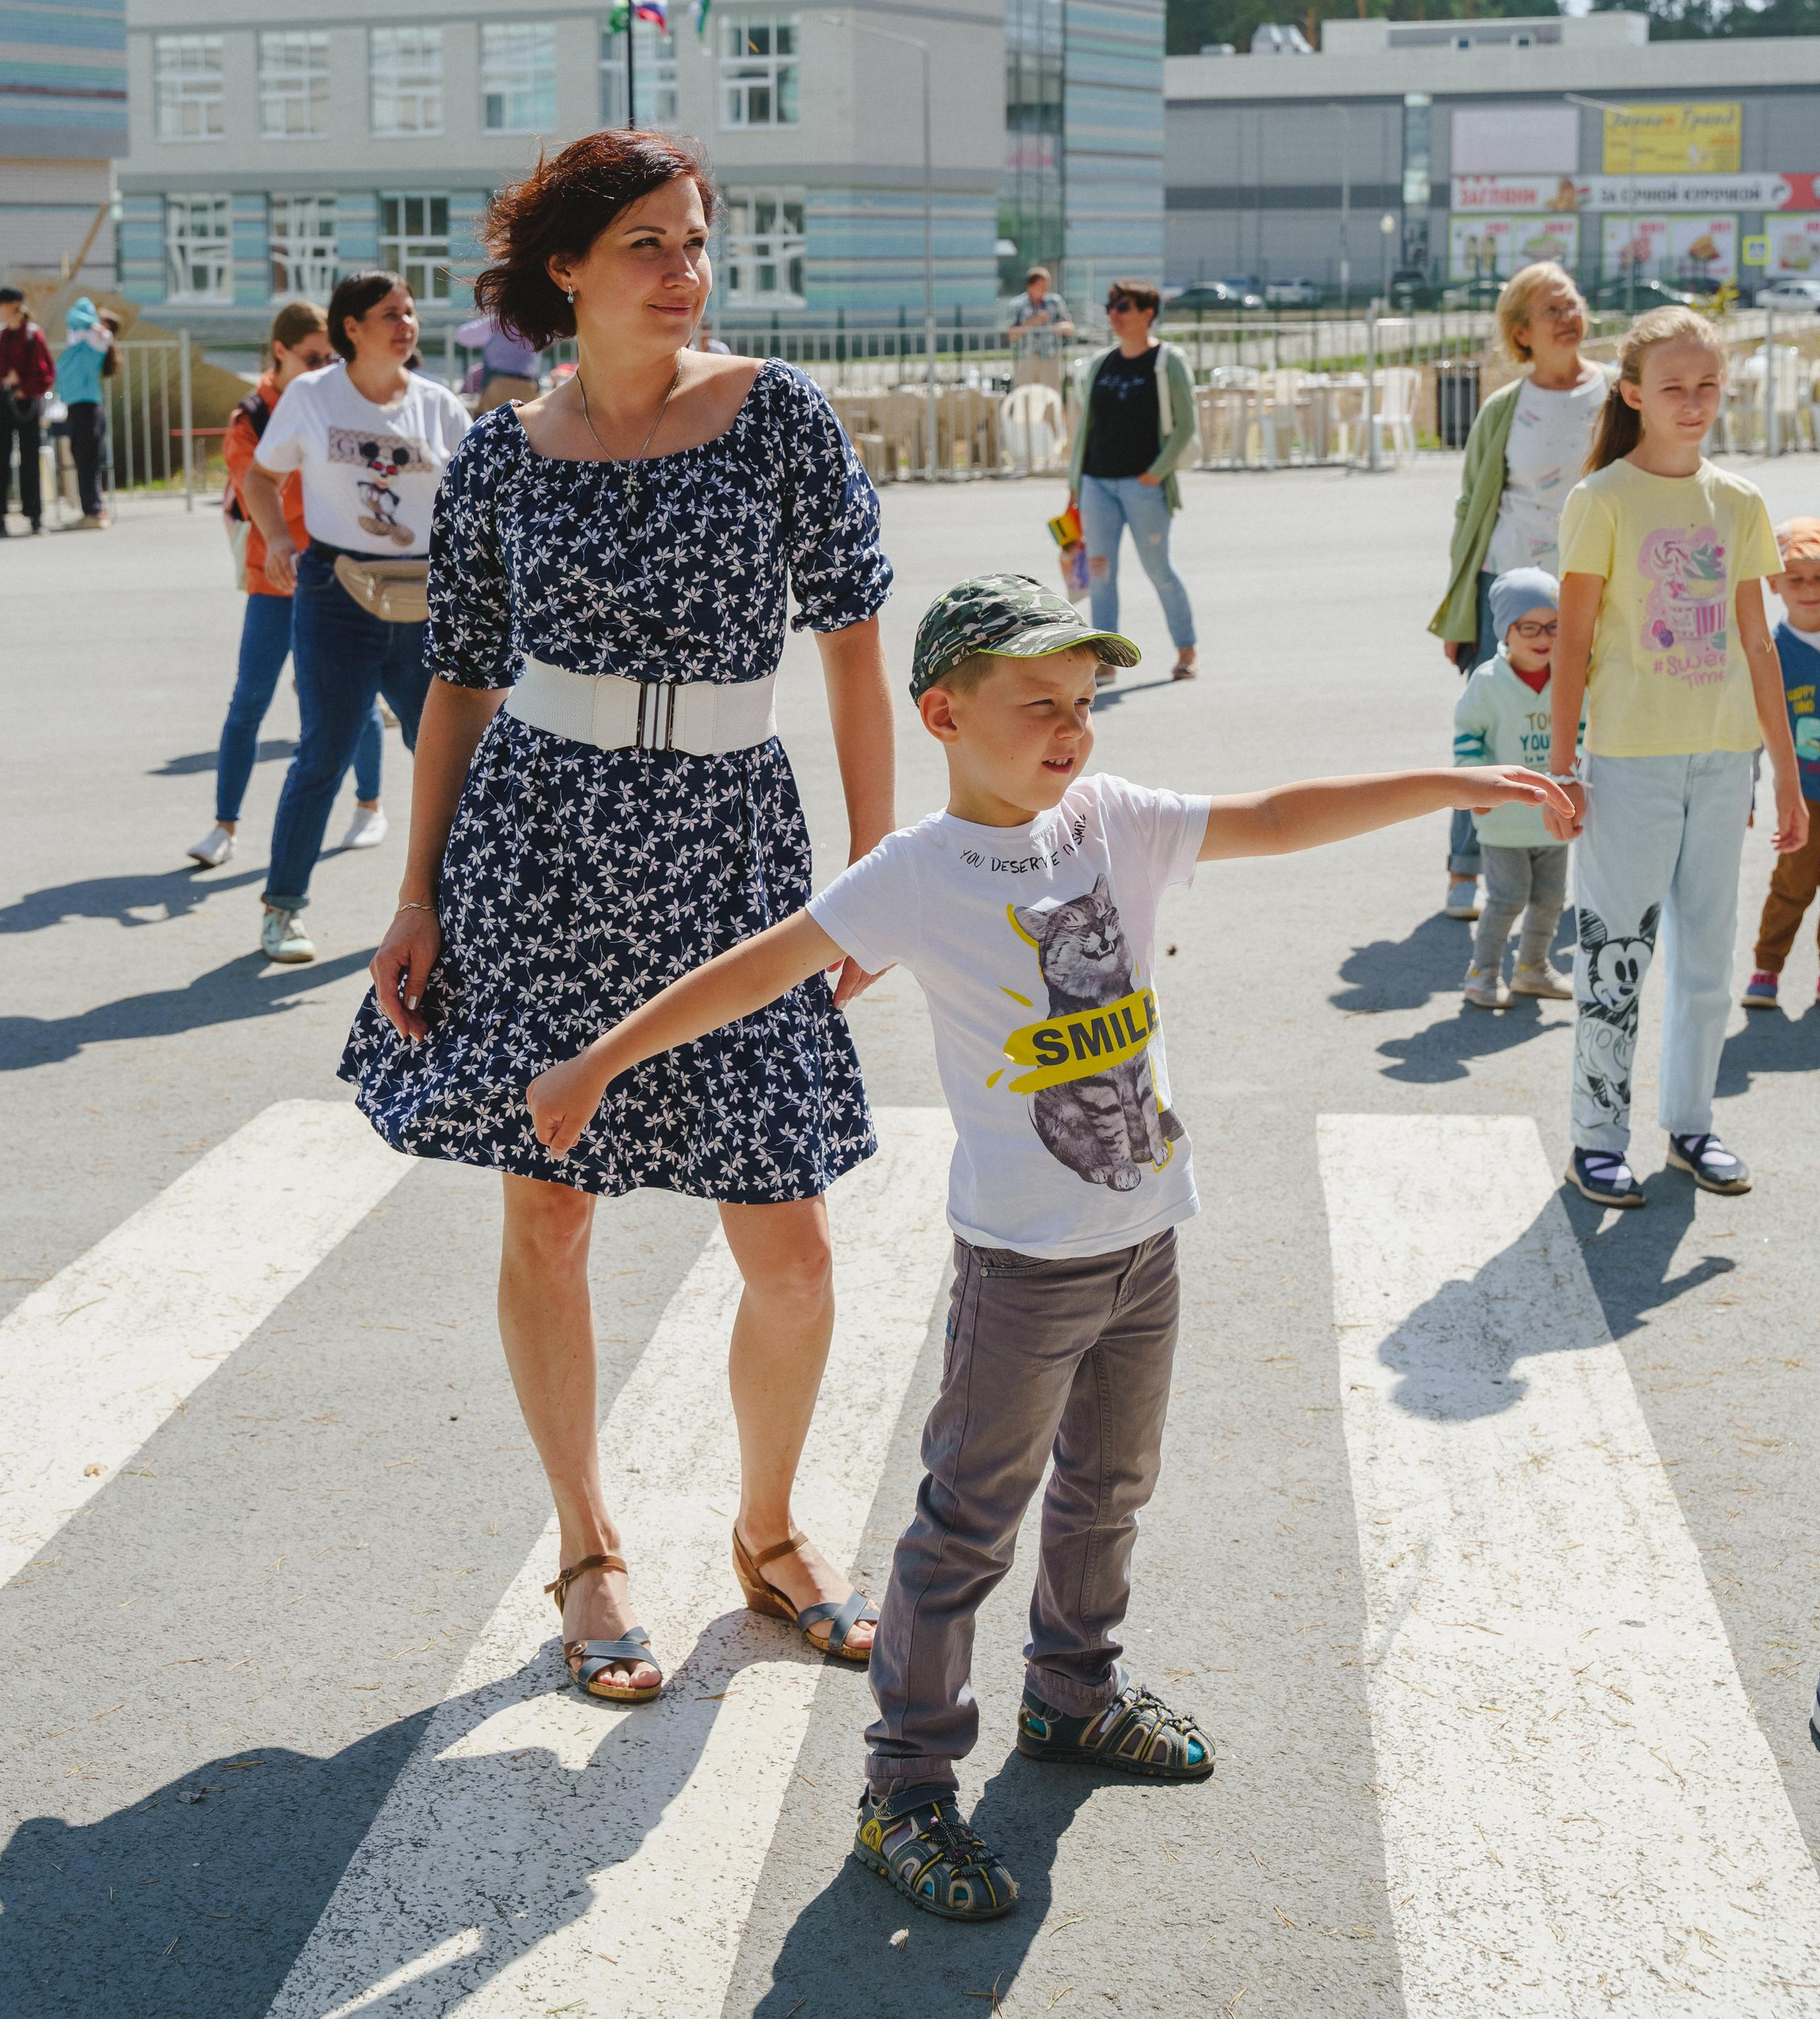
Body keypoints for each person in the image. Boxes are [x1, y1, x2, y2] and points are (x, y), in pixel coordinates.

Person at [524, 570, 1569, 1917]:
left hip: (1146, 1237)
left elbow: (1273, 816)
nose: (1071, 728)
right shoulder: (915, 875)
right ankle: (903, 1790)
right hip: (1022, 1264)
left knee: (1110, 1489)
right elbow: (762, 965)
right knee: (964, 1527)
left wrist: (1454, 784)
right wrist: (600, 1062)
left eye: (1085, 701)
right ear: (944, 714)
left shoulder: (1110, 822)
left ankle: (1073, 1694)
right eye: (1038, 704)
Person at [352, 128, 895, 1707]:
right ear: (566, 271)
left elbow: (857, 650)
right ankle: (588, 1549)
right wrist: (414, 890)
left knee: (786, 1242)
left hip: (732, 849)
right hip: (540, 848)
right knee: (549, 1208)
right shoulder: (504, 458)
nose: (684, 269)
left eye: (696, 238)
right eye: (648, 242)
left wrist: (872, 873)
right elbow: (457, 680)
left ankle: (771, 1532)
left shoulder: (776, 416)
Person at [1547, 306, 1805, 1209]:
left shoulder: (1738, 501)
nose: (1692, 403)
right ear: (1632, 396)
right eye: (1672, 388)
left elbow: (1759, 647)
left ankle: (1691, 1124)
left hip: (1723, 758)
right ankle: (1596, 1140)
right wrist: (1560, 767)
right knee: (1615, 954)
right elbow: (1572, 644)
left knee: (1707, 961)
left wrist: (1786, 778)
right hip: (1628, 762)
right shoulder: (1601, 499)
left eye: (1706, 386)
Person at [245, 273, 471, 964]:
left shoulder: (438, 406)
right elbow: (260, 476)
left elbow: (480, 496)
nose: (406, 324)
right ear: (351, 327)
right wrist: (278, 540)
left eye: (410, 312)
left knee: (451, 758)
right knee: (325, 753)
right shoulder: (313, 396)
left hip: (429, 599)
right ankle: (282, 909)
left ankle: (463, 912)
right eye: (388, 314)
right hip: (336, 594)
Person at [1430, 260, 1606, 919]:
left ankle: (1583, 863)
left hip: (1593, 591)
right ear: (1522, 331)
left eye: (1572, 302)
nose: (1569, 316)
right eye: (1551, 309)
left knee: (1593, 727)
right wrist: (1460, 615)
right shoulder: (1506, 408)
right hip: (1506, 591)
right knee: (1494, 724)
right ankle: (1466, 868)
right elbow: (1472, 507)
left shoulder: (1617, 396)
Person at [188, 299, 387, 874]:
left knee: (354, 701)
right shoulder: (251, 414)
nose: (326, 365)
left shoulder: (340, 400)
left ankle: (369, 805)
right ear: (280, 351)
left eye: (332, 356)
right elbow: (264, 489)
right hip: (275, 577)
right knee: (249, 700)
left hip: (337, 576)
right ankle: (224, 825)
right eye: (313, 356)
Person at [1743, 516, 1820, 1015]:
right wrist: (1744, 793)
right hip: (1805, 797)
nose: (1808, 589)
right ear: (1773, 584)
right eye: (1795, 579)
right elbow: (1751, 730)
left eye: (1818, 577)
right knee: (1793, 885)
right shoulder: (1770, 651)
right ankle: (1766, 967)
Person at [1065, 280, 1200, 683]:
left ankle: (1186, 650)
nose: (1113, 314)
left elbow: (1186, 426)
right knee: (1101, 573)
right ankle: (1105, 660)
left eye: (1122, 306)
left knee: (1159, 569)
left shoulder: (1166, 362)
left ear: (1147, 314)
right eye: (1110, 306)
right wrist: (1076, 483)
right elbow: (1087, 427)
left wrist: (1154, 474)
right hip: (1097, 484)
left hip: (1143, 487)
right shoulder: (1101, 363)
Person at [1453, 567, 1574, 1010]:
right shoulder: (1487, 682)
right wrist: (1473, 787)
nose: (1542, 637)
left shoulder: (1568, 676)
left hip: (1552, 817)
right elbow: (1468, 737)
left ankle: (1533, 968)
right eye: (1529, 627)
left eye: (1553, 626)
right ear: (1507, 629)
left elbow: (1580, 733)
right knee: (1506, 899)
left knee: (1551, 900)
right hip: (1503, 822)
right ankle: (1482, 974)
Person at [0, 285, 54, 539]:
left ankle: (35, 517)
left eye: (0, 306)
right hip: (2, 402)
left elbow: (46, 373)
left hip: (25, 403)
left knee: (30, 458)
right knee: (0, 457)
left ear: (14, 305)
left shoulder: (33, 335)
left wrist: (25, 387)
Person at [52, 296, 116, 529]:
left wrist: (92, 323)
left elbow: (76, 317)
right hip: (78, 404)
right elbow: (74, 320)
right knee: (82, 456)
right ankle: (92, 508)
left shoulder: (97, 339)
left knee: (87, 458)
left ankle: (93, 510)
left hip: (86, 405)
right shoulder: (85, 338)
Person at [453, 309, 541, 414]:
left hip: (499, 383)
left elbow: (463, 336)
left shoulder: (496, 323)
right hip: (527, 384)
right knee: (527, 426)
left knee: (496, 426)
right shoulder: (534, 323)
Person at [1006, 266, 1074, 386]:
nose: (1046, 289)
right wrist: (1033, 321)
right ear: (1031, 286)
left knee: (1051, 398)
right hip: (1026, 358)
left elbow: (1070, 327)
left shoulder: (1056, 302)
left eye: (1047, 285)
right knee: (1025, 397)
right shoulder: (1018, 305)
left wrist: (1060, 327)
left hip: (1050, 357)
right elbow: (1011, 335)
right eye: (1042, 286)